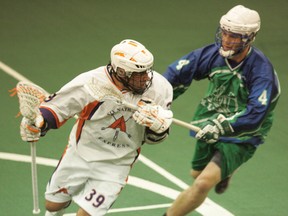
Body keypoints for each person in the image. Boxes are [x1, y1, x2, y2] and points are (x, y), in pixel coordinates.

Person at [20, 39, 174, 216]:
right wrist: (38, 124)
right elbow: (57, 109)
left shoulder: (161, 89)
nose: (146, 78)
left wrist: (158, 129)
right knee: (52, 206)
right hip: (81, 153)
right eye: (138, 74)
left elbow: (154, 139)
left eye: (147, 71)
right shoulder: (90, 82)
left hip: (117, 163)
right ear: (121, 72)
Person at [162, 5, 281, 216]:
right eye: (224, 32)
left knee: (202, 184)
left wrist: (223, 127)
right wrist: (157, 101)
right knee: (196, 174)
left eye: (234, 36)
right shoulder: (212, 55)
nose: (226, 39)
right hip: (209, 118)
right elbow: (177, 73)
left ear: (250, 38)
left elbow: (255, 115)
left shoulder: (261, 73)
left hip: (244, 133)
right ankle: (225, 172)